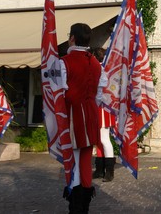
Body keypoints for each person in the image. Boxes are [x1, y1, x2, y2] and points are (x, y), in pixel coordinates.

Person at [60, 23, 102, 213]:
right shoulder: (96, 62)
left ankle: (76, 207)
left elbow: (59, 93)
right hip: (91, 115)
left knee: (74, 161)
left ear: (72, 38)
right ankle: (82, 207)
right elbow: (100, 94)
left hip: (73, 116)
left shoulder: (65, 61)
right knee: (85, 161)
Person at [92, 47, 116, 182]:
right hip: (100, 106)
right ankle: (100, 169)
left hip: (102, 107)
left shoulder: (101, 69)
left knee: (104, 139)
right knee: (98, 139)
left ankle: (109, 171)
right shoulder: (105, 69)